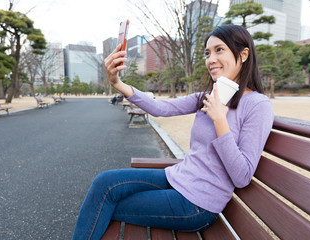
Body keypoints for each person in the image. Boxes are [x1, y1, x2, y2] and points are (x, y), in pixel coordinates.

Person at [72, 24, 274, 240]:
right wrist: (117, 83)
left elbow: (242, 176)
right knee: (104, 183)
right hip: (177, 178)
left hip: (198, 203)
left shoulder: (258, 105)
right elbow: (161, 108)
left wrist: (220, 120)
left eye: (219, 50)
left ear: (244, 55)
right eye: (207, 53)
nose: (211, 59)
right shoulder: (207, 96)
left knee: (105, 204)